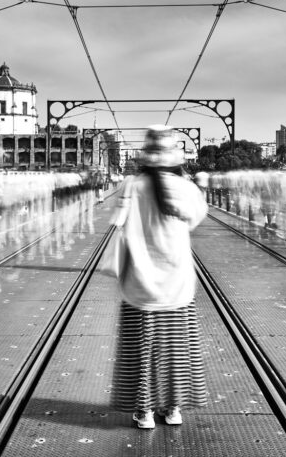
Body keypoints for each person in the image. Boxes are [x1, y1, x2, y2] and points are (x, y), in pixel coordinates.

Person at [109, 125, 208, 429]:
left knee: (141, 348)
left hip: (139, 281)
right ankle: (174, 407)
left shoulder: (131, 185)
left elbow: (117, 223)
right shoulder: (186, 188)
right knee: (176, 347)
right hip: (176, 281)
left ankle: (144, 410)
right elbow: (196, 218)